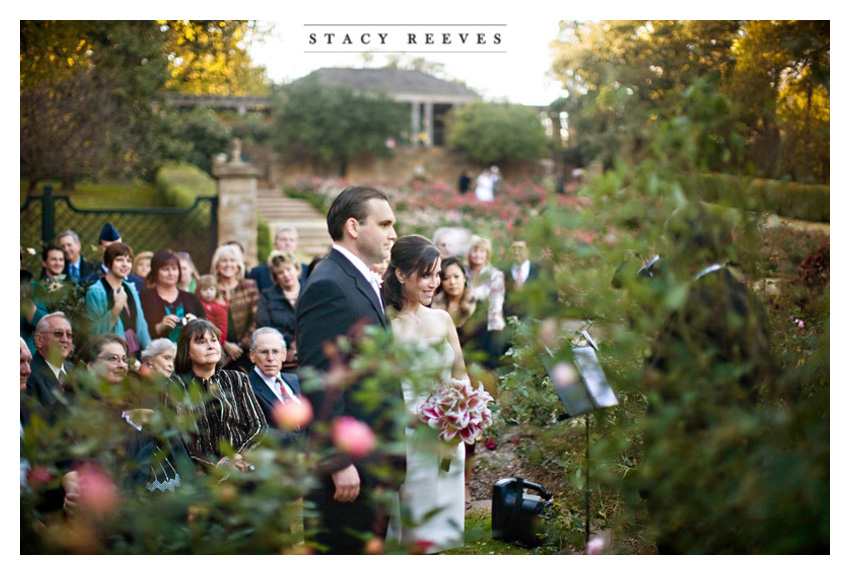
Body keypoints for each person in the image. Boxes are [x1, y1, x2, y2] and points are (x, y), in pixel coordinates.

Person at [295, 184, 402, 554]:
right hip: (350, 467)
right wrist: (337, 461)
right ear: (354, 227)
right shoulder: (328, 284)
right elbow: (320, 378)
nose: (393, 234)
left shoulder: (356, 278)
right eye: (385, 224)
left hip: (374, 456)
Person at [383, 235, 469, 553]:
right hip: (409, 433)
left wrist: (466, 410)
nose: (435, 283)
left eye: (438, 275)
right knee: (412, 525)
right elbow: (381, 389)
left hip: (447, 432)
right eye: (426, 275)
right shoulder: (386, 325)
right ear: (401, 274)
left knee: (442, 527)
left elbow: (460, 373)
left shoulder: (443, 319)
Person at [170, 319, 267, 471]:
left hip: (244, 466)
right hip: (200, 475)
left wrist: (237, 457)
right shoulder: (175, 386)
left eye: (213, 340)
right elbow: (178, 440)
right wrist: (215, 467)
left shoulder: (237, 379)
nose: (210, 346)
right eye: (201, 342)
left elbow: (259, 426)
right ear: (186, 351)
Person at [85, 241, 151, 358]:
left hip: (137, 353)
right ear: (108, 262)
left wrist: (150, 354)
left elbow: (141, 324)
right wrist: (116, 309)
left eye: (129, 261)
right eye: (120, 260)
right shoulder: (95, 291)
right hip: (113, 356)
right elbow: (95, 334)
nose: (125, 264)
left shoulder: (130, 288)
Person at [247, 327, 302, 445]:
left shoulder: (296, 380)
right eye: (264, 352)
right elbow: (261, 434)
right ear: (252, 356)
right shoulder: (246, 388)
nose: (270, 358)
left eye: (276, 352)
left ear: (284, 355)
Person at [211, 244, 259, 373]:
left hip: (245, 350)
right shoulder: (209, 289)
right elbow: (205, 320)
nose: (228, 265)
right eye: (224, 261)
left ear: (238, 265)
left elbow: (257, 318)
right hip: (217, 350)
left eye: (232, 260)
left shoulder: (249, 286)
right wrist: (225, 345)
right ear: (217, 265)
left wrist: (240, 346)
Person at [140, 249, 206, 343]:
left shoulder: (192, 298)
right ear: (155, 271)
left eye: (174, 269)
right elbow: (137, 331)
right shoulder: (144, 298)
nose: (171, 273)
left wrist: (197, 323)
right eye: (165, 269)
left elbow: (207, 328)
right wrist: (159, 327)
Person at [25, 312, 76, 422]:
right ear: (39, 340)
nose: (65, 340)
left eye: (69, 335)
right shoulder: (28, 375)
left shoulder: (74, 370)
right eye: (58, 333)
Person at [256, 251, 301, 367]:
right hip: (280, 357)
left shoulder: (309, 292)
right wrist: (289, 344)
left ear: (297, 269)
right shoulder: (267, 296)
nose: (286, 275)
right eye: (280, 272)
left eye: (289, 269)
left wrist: (297, 345)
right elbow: (264, 325)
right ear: (275, 277)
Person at [466, 234, 506, 364]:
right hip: (466, 323)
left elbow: (496, 303)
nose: (478, 255)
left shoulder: (495, 275)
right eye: (475, 250)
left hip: (488, 324)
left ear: (487, 254)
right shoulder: (463, 273)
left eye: (482, 251)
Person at [96, 223, 144, 294]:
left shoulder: (136, 282)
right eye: (108, 247)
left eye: (118, 246)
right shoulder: (90, 280)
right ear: (100, 248)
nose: (114, 250)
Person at [503, 240, 541, 320]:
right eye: (513, 249)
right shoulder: (503, 272)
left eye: (520, 249)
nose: (516, 252)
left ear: (528, 250)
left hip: (533, 324)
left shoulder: (539, 271)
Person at [195, 274, 229, 345]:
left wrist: (218, 342)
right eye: (204, 289)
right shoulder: (196, 303)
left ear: (216, 290)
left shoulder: (220, 307)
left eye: (211, 289)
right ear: (199, 291)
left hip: (214, 341)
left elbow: (222, 328)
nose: (208, 292)